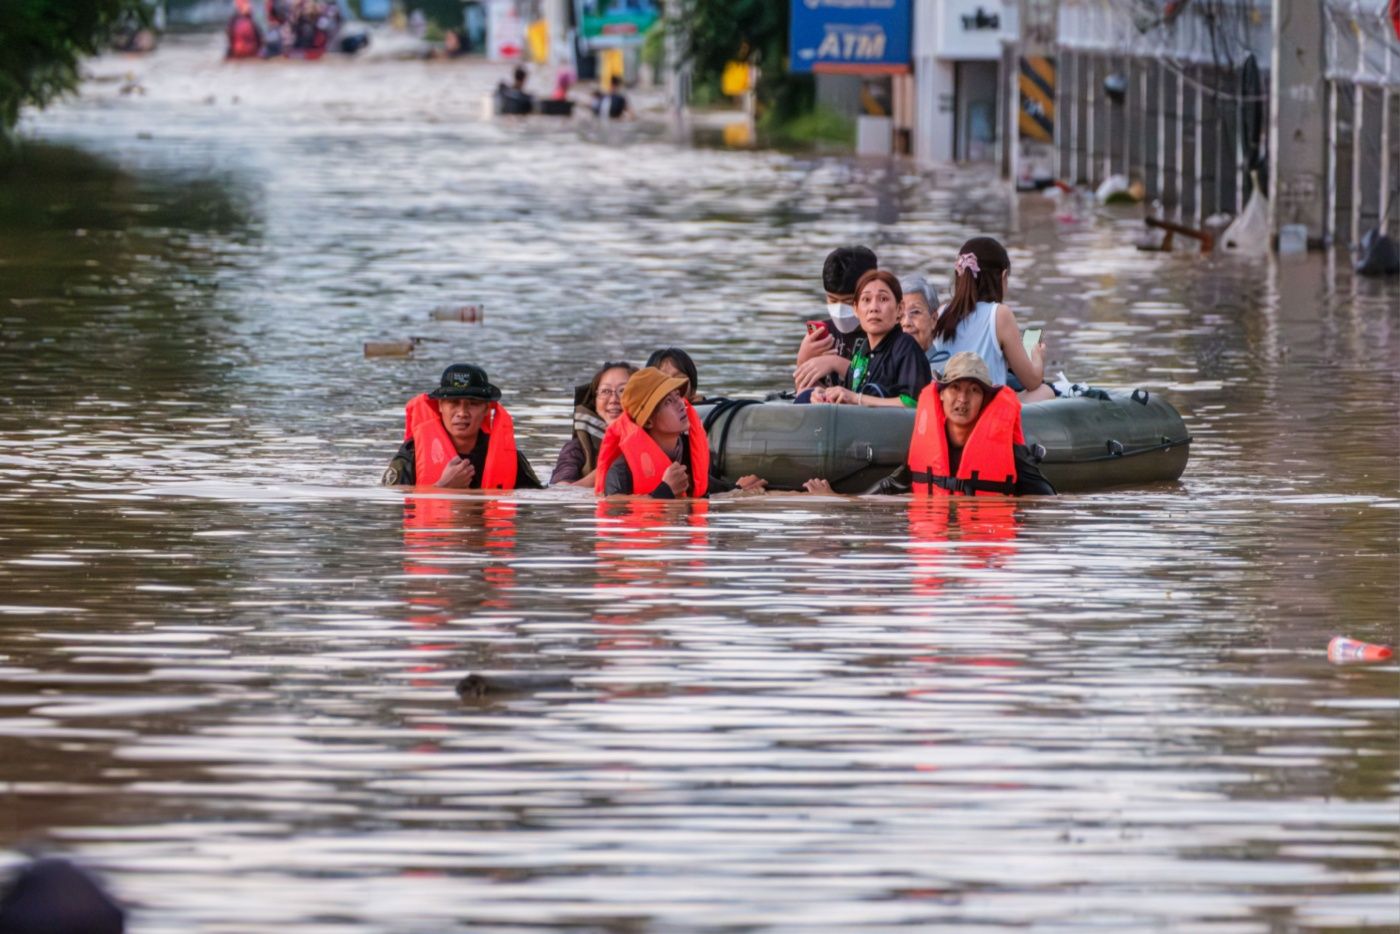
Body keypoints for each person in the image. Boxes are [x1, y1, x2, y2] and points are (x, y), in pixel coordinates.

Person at [872, 351, 1054, 496]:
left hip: (984, 531)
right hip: (935, 531)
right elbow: (892, 485)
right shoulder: (924, 445)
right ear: (941, 394)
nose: (962, 399)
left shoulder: (1009, 451)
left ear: (985, 400)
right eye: (955, 387)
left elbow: (1046, 499)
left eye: (974, 390)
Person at [596, 367, 765, 498]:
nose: (680, 404)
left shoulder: (688, 455)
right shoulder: (621, 471)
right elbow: (615, 509)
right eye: (668, 401)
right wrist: (665, 491)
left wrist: (736, 489)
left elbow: (707, 486)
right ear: (648, 421)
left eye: (677, 396)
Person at [929, 236, 1054, 402]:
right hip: (987, 407)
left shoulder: (942, 312)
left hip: (951, 404)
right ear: (1003, 276)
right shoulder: (1000, 314)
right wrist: (1037, 356)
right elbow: (1031, 381)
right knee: (1045, 391)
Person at [382, 364, 542, 489]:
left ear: (487, 409)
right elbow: (394, 504)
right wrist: (443, 487)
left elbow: (533, 502)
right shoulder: (412, 454)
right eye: (454, 403)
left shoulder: (510, 457)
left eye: (473, 404)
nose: (462, 413)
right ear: (440, 406)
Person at [810, 269, 931, 407]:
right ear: (856, 309)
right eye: (866, 300)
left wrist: (857, 398)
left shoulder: (906, 347)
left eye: (883, 299)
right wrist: (826, 395)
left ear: (899, 309)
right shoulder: (860, 354)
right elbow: (849, 400)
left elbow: (913, 403)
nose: (874, 308)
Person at [794, 245, 879, 391]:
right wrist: (803, 360)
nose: (840, 310)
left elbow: (884, 383)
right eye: (833, 300)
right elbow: (802, 388)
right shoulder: (822, 335)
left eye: (848, 302)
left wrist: (835, 363)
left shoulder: (885, 334)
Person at [550, 361, 634, 487]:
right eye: (605, 391)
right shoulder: (577, 448)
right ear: (595, 400)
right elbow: (560, 490)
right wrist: (606, 467)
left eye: (623, 391)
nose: (613, 400)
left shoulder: (655, 438)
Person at [898, 273, 939, 359]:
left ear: (933, 319)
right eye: (900, 315)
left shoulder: (946, 366)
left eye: (915, 312)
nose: (906, 323)